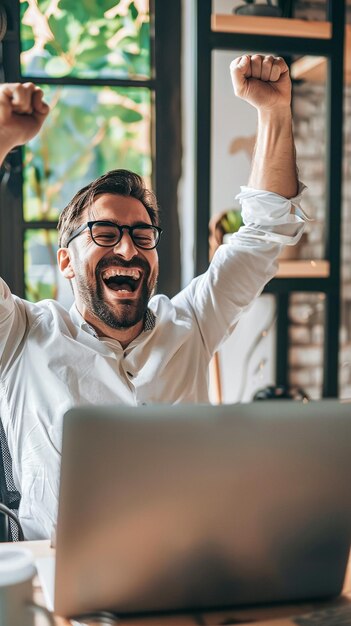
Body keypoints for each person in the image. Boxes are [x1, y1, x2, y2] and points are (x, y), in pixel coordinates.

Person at [0, 55, 306, 540]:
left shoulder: (192, 323)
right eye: (105, 233)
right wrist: (2, 141)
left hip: (188, 570)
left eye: (143, 235)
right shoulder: (20, 334)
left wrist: (275, 112)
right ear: (64, 261)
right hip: (57, 587)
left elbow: (266, 232)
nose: (128, 248)